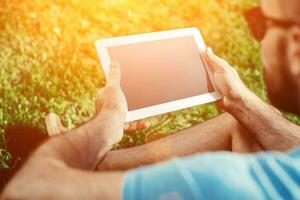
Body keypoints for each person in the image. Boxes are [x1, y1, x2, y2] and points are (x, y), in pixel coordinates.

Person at [1, 0, 300, 199]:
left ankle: (81, 159)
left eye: (261, 24)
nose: (260, 40)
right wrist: (239, 100)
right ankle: (101, 166)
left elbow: (28, 191)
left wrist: (107, 122)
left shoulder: (229, 183)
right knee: (243, 123)